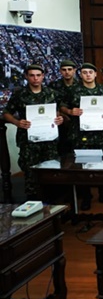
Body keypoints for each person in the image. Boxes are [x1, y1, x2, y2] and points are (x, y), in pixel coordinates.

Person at [3, 64, 63, 200]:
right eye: (32, 75)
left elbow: (56, 111)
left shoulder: (51, 93)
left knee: (51, 172)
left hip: (49, 139)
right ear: (26, 76)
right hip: (29, 141)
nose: (35, 78)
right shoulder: (19, 94)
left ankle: (52, 205)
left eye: (38, 75)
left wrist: (59, 118)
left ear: (43, 76)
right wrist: (17, 122)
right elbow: (6, 113)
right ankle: (34, 204)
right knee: (30, 174)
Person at [61, 63, 103, 209]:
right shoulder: (73, 90)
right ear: (80, 74)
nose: (88, 75)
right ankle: (86, 196)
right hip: (81, 133)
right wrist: (71, 112)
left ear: (96, 74)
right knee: (82, 165)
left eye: (91, 72)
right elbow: (62, 106)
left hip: (101, 132)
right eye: (84, 72)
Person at [49, 59, 78, 156]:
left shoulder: (80, 85)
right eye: (64, 70)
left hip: (77, 122)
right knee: (62, 151)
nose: (67, 72)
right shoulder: (53, 86)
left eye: (70, 69)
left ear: (74, 70)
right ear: (60, 71)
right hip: (58, 123)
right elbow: (49, 104)